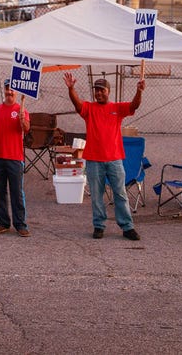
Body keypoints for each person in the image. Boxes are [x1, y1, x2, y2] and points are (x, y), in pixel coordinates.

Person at [63, 72, 144, 241]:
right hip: (94, 159)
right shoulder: (89, 108)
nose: (99, 93)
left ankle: (127, 227)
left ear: (108, 91)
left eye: (102, 90)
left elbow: (134, 106)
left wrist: (139, 91)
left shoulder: (117, 108)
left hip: (114, 159)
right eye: (96, 90)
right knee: (96, 195)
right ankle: (99, 225)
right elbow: (78, 105)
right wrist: (71, 89)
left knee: (120, 193)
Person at [0, 79, 31, 237]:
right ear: (4, 90)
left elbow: (26, 129)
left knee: (17, 192)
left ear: (16, 92)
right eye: (7, 89)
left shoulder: (21, 110)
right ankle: (3, 223)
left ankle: (20, 224)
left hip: (14, 158)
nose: (10, 92)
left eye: (12, 90)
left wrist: (22, 120)